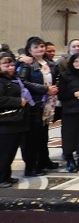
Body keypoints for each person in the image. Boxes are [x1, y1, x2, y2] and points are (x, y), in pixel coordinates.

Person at [17, 37, 59, 176]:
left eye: (41, 46)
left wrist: (54, 88)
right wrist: (44, 89)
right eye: (36, 47)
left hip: (47, 104)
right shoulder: (26, 64)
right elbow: (22, 82)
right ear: (29, 50)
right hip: (33, 104)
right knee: (31, 138)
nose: (40, 49)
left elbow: (55, 79)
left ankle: (43, 160)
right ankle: (31, 166)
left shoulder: (49, 63)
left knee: (43, 135)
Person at [0, 52, 30, 188]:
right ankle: (1, 178)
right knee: (4, 152)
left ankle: (6, 175)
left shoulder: (12, 78)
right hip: (5, 122)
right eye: (6, 65)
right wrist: (18, 101)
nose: (10, 67)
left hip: (16, 121)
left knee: (11, 151)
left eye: (12, 64)